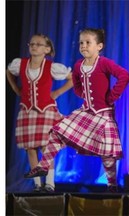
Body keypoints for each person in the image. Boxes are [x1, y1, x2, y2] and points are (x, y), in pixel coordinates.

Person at [23, 28, 129, 193]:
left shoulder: (104, 63)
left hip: (103, 112)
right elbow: (76, 82)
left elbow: (124, 75)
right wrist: (81, 93)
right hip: (86, 111)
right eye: (81, 42)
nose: (84, 46)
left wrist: (112, 96)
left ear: (99, 46)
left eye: (88, 42)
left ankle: (112, 185)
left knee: (107, 154)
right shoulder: (78, 65)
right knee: (58, 131)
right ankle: (43, 166)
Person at [6, 34, 73, 192]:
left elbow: (72, 79)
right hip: (27, 111)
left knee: (46, 148)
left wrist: (56, 93)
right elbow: (8, 71)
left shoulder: (51, 67)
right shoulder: (20, 64)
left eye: (39, 44)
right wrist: (17, 89)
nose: (34, 46)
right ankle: (37, 184)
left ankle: (50, 183)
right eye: (32, 43)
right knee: (30, 149)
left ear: (47, 49)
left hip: (46, 111)